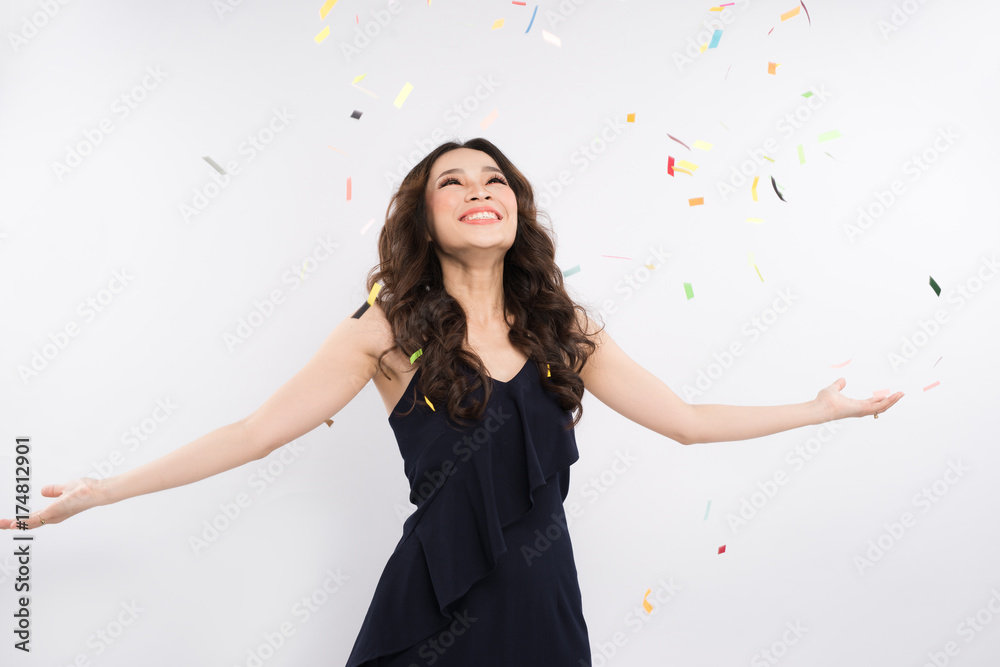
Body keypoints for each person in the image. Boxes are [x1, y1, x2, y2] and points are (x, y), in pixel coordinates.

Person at [2, 138, 903, 665]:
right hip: (432, 615)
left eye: (495, 181)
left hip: (546, 608)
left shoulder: (565, 328)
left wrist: (822, 409)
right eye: (455, 184)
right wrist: (103, 490)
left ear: (517, 211)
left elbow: (688, 422)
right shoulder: (382, 329)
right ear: (424, 220)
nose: (480, 192)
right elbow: (252, 433)